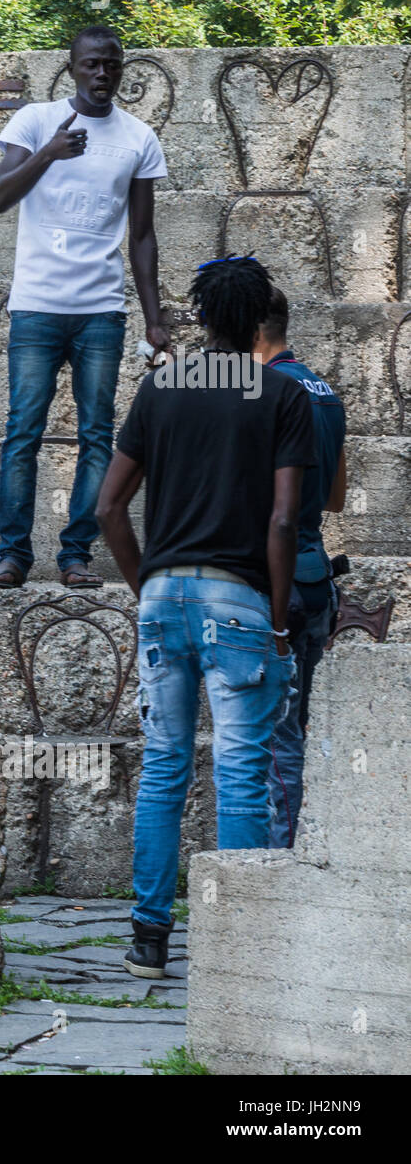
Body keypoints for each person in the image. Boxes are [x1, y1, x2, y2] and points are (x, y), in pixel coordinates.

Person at [95, 256, 314, 979]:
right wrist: (279, 621)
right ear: (258, 322)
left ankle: (149, 940)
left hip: (164, 599)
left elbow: (108, 508)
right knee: (241, 768)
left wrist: (146, 585)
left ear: (200, 315)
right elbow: (284, 521)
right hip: (241, 601)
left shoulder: (161, 386)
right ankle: (237, 944)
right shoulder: (281, 394)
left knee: (163, 766)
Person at [0, 24, 170, 590]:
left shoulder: (138, 137)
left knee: (96, 435)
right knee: (23, 432)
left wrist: (154, 316)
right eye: (91, 64)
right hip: (37, 304)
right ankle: (13, 555)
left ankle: (75, 555)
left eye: (111, 64)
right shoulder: (37, 122)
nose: (102, 73)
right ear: (72, 66)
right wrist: (50, 154)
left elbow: (142, 236)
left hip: (101, 309)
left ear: (122, 68)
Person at [250, 286, 347, 848]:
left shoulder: (266, 392)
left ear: (252, 331)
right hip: (317, 579)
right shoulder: (326, 391)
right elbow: (334, 498)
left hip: (275, 580)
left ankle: (278, 868)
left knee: (273, 737)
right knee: (290, 731)